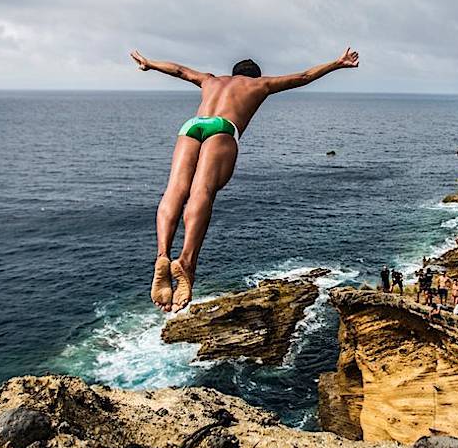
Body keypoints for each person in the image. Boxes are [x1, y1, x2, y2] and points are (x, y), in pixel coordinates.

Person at [133, 47, 360, 312]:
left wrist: (149, 63)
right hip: (222, 127)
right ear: (254, 76)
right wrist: (337, 63)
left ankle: (162, 254)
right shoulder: (260, 85)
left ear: (233, 73)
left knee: (174, 191)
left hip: (192, 126)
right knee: (202, 192)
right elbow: (304, 77)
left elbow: (179, 70)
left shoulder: (209, 80)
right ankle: (186, 261)